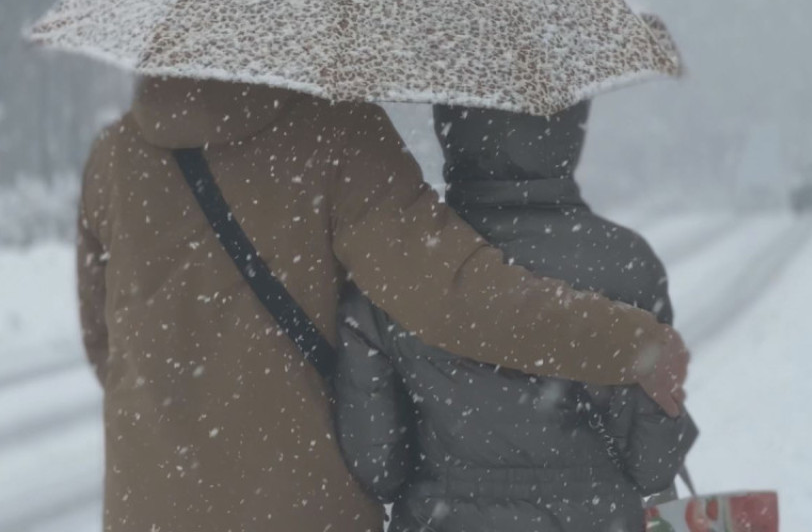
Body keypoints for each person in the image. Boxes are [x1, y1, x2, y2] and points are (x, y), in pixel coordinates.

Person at [76, 76, 689, 532]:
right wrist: (629, 344)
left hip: (147, 505)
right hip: (303, 509)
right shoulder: (334, 132)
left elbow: (105, 342)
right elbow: (455, 297)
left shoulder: (114, 155)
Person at [334, 102, 697, 532]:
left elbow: (378, 468)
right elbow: (651, 468)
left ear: (449, 125)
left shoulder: (402, 266)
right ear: (567, 129)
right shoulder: (625, 263)